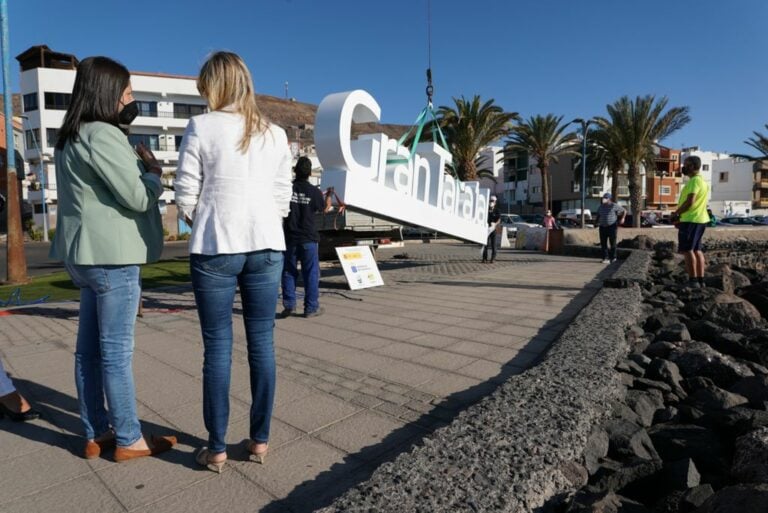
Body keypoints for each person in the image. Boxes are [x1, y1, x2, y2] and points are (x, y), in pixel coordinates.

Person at [50, 56, 176, 461]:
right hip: (113, 257)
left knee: (88, 352)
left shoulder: (68, 136)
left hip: (82, 256)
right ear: (108, 94)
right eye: (127, 92)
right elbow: (137, 196)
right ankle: (129, 438)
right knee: (117, 353)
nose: (131, 99)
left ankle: (96, 432)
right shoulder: (103, 135)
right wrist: (154, 172)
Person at [174, 51, 292, 473]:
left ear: (213, 85)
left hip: (215, 246)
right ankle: (260, 440)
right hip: (265, 246)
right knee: (263, 344)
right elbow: (282, 197)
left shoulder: (201, 126)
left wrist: (203, 218)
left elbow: (185, 193)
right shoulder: (275, 134)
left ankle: (217, 447)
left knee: (217, 348)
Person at [279, 156, 328, 319]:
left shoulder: (287, 189)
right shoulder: (314, 192)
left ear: (295, 171)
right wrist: (329, 196)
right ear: (309, 173)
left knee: (288, 272)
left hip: (290, 238)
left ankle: (289, 306)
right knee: (311, 273)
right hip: (308, 239)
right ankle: (310, 308)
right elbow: (324, 208)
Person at [673, 156, 710, 288]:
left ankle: (693, 280)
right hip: (700, 219)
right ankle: (700, 279)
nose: (684, 167)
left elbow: (690, 202)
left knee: (688, 250)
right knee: (697, 250)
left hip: (691, 220)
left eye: (687, 165)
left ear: (693, 166)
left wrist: (677, 213)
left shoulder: (694, 181)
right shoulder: (703, 182)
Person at [595, 193, 626, 263]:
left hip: (612, 227)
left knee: (613, 243)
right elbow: (598, 215)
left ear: (609, 199)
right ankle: (605, 258)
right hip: (602, 227)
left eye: (606, 198)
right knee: (603, 243)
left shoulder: (614, 205)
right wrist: (596, 222)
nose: (604, 199)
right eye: (604, 198)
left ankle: (613, 258)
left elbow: (624, 211)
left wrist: (622, 219)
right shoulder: (601, 207)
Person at [482, 195, 501, 263]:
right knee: (485, 244)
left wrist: (495, 224)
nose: (491, 202)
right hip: (486, 229)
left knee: (493, 244)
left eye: (492, 201)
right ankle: (484, 258)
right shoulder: (486, 209)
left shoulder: (497, 210)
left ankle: (493, 258)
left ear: (495, 202)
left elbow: (499, 219)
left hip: (493, 229)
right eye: (490, 201)